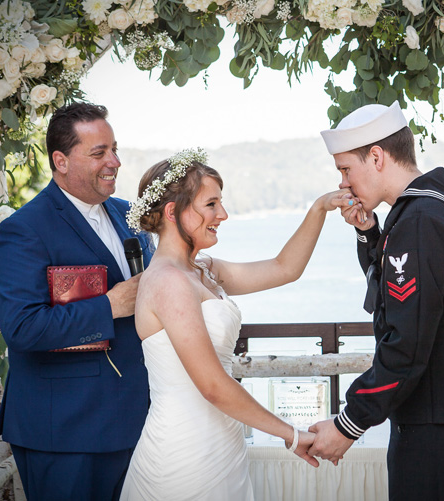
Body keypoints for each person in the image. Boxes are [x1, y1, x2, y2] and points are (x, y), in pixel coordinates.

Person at [119, 149, 345, 500]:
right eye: (211, 204)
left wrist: (319, 209)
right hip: (185, 455)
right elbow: (211, 385)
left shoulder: (203, 270)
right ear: (172, 212)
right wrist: (293, 434)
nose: (222, 215)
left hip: (223, 444)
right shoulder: (167, 281)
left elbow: (285, 268)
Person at [307, 102, 444, 500]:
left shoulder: (420, 220)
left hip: (435, 423)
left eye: (345, 170)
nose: (343, 184)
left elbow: (406, 343)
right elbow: (400, 295)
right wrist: (368, 233)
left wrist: (348, 423)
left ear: (376, 157)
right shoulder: (430, 206)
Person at [0, 102, 154, 500]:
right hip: (64, 430)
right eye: (99, 153)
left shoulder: (129, 215)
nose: (114, 161)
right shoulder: (23, 230)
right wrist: (110, 306)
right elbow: (22, 328)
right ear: (60, 160)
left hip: (140, 420)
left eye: (114, 149)